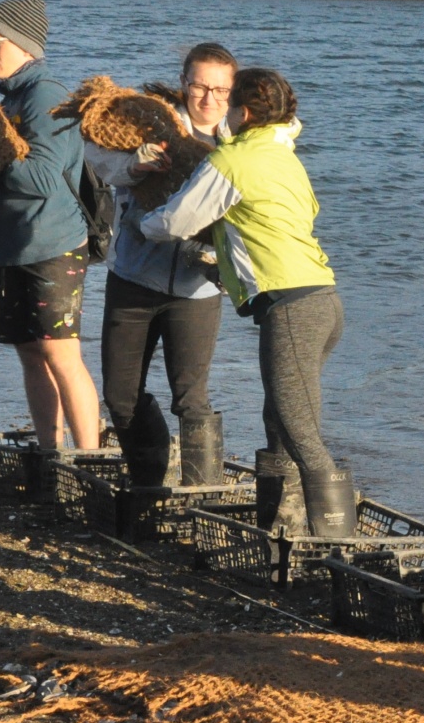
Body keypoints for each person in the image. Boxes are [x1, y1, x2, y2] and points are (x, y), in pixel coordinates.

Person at [140, 67, 354, 537]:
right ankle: (283, 529)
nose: (222, 111)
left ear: (245, 112)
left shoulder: (233, 162)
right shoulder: (285, 156)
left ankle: (339, 548)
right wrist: (222, 263)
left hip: (293, 308)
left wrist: (140, 224)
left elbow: (175, 221)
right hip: (324, 300)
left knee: (301, 433)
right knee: (282, 419)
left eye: (229, 102)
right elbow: (281, 224)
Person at [83, 42, 236, 488]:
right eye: (199, 86)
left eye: (221, 89)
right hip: (132, 277)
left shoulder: (240, 143)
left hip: (199, 291)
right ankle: (148, 486)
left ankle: (202, 497)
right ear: (184, 82)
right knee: (119, 395)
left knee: (191, 401)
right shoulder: (154, 122)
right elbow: (95, 156)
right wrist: (135, 164)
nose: (208, 98)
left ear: (233, 93)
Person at [0, 0, 102, 450]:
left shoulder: (45, 94)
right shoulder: (15, 97)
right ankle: (51, 457)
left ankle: (90, 462)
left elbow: (44, 178)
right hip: (12, 244)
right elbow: (0, 180)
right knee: (31, 354)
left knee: (62, 355)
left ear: (25, 45)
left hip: (52, 245)